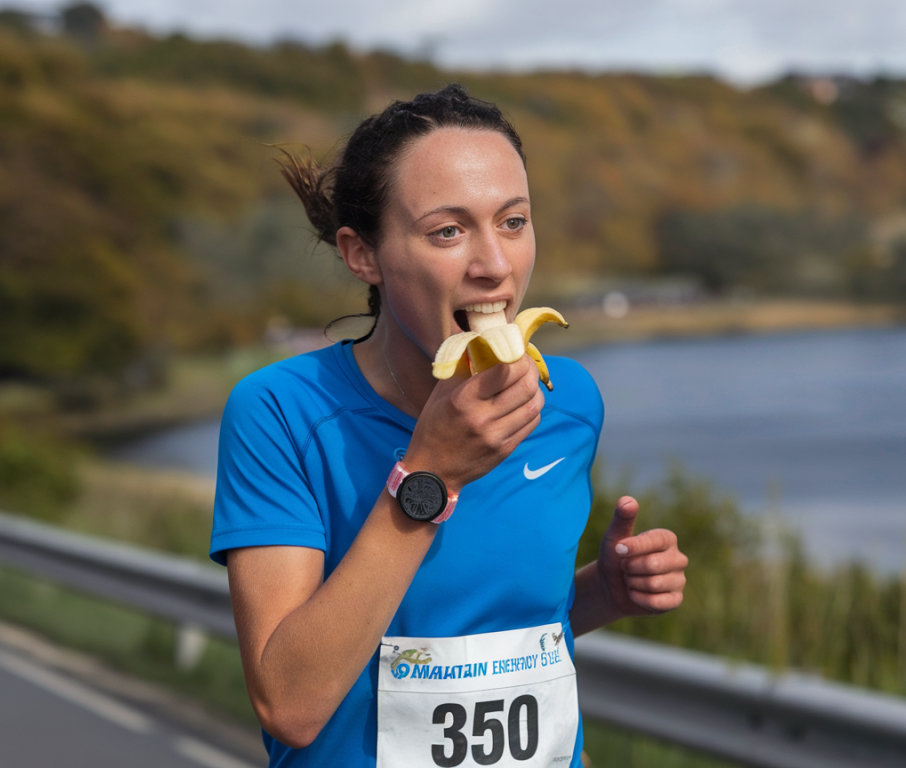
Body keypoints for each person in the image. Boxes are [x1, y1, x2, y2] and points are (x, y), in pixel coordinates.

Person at [209, 84, 688, 768]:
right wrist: (427, 476)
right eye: (448, 231)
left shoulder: (566, 400)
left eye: (514, 221)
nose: (493, 266)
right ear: (363, 254)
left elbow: (464, 631)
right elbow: (290, 704)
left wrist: (599, 596)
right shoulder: (281, 411)